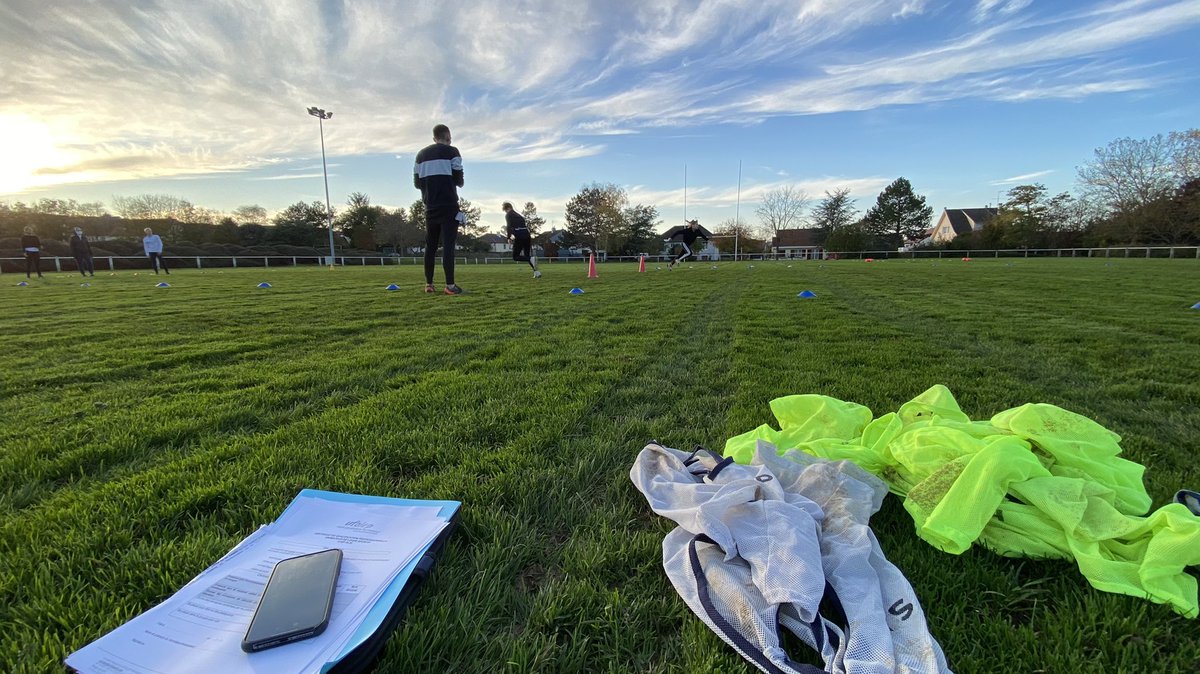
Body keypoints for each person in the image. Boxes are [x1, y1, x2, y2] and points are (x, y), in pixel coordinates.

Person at [413, 124, 464, 295]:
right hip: (449, 206)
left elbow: (417, 183)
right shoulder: (452, 152)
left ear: (434, 138)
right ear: (448, 137)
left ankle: (429, 284)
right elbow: (459, 179)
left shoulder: (420, 155)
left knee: (431, 246)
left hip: (430, 207)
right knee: (448, 246)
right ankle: (450, 285)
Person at [502, 202, 540, 278]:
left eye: (505, 210)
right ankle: (536, 272)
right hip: (527, 235)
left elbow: (509, 227)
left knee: (515, 257)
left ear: (508, 208)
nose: (505, 212)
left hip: (520, 236)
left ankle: (531, 260)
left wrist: (508, 237)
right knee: (527, 255)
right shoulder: (519, 216)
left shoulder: (508, 215)